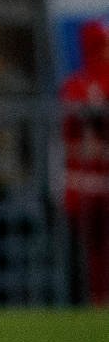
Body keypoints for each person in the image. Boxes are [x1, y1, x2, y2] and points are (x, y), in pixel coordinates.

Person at [60, 19, 109, 304]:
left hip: (82, 185)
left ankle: (95, 301)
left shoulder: (74, 86)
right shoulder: (80, 85)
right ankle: (97, 301)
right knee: (93, 253)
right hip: (89, 182)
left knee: (91, 254)